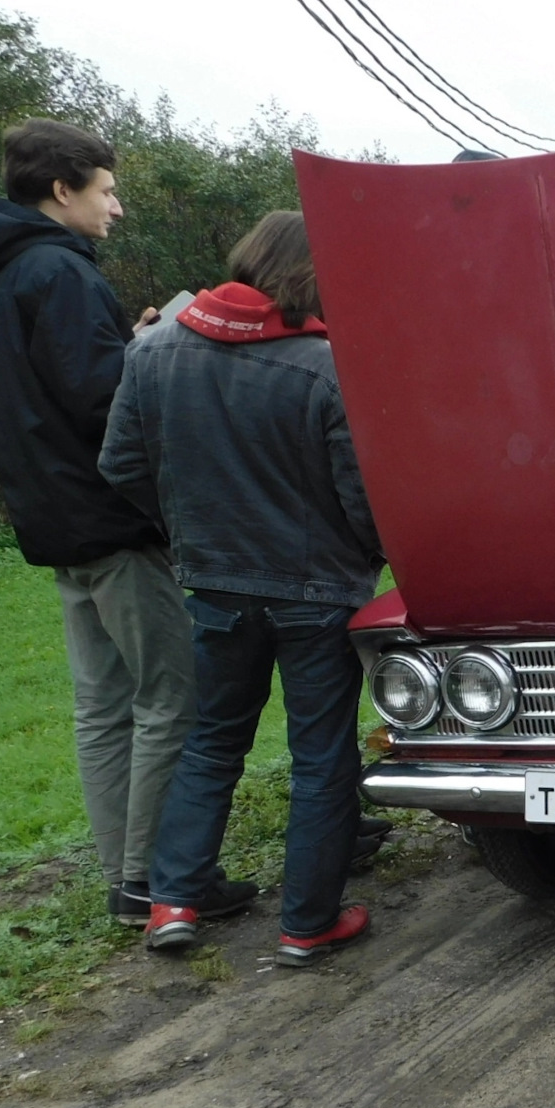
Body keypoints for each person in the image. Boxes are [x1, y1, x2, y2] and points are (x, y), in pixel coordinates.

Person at [0, 119, 242, 927]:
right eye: (107, 191)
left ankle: (128, 878)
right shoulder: (61, 272)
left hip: (54, 520)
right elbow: (103, 404)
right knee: (171, 699)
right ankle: (159, 878)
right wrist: (151, 352)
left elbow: (54, 391)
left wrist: (126, 343)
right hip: (112, 520)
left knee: (102, 706)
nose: (116, 208)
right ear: (63, 190)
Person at [100, 212, 384, 966]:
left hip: (216, 585)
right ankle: (307, 924)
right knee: (321, 756)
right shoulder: (326, 365)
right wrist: (371, 554)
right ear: (310, 276)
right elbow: (360, 495)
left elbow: (120, 465)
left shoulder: (152, 351)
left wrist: (190, 531)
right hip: (319, 592)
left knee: (212, 742)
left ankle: (172, 902)